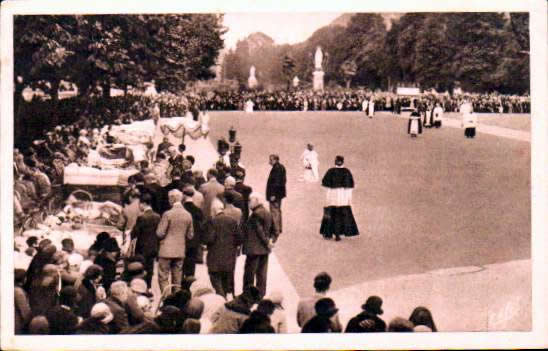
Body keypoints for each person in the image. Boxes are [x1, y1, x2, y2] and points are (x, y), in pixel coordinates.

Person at [156, 189, 194, 295]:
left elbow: (160, 233)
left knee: (163, 276)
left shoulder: (167, 214)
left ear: (172, 199)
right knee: (177, 277)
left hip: (166, 250)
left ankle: (167, 298)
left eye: (169, 198)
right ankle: (177, 299)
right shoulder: (188, 215)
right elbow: (190, 235)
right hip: (180, 250)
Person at [203, 199, 242, 299]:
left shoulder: (212, 222)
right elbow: (240, 238)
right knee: (225, 281)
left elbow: (209, 239)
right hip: (229, 258)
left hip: (215, 257)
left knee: (215, 279)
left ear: (214, 210)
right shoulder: (232, 221)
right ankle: (223, 297)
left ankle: (221, 299)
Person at [243, 193, 276, 299]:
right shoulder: (267, 213)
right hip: (265, 250)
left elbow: (259, 231)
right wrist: (271, 241)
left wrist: (267, 242)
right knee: (262, 274)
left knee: (250, 274)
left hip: (254, 249)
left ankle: (248, 295)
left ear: (256, 201)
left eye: (250, 200)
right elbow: (275, 230)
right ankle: (260, 295)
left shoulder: (256, 214)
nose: (248, 203)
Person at [320, 156, 359, 241]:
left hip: (336, 197)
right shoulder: (345, 172)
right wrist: (348, 198)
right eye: (338, 161)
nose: (338, 162)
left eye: (339, 161)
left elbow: (326, 184)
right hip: (340, 198)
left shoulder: (333, 171)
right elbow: (349, 187)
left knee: (332, 214)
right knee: (338, 215)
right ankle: (333, 234)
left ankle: (330, 233)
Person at [130, 193, 161, 288]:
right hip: (153, 246)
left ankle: (142, 287)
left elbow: (135, 233)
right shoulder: (157, 216)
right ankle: (149, 287)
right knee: (150, 268)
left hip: (142, 247)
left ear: (143, 204)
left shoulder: (141, 217)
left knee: (141, 268)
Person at [182, 187, 205, 278]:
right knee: (191, 263)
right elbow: (201, 227)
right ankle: (190, 280)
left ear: (184, 195)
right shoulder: (198, 211)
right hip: (194, 241)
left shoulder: (183, 209)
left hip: (183, 240)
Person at [266, 154, 286, 236]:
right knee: (278, 210)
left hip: (275, 195)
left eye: (271, 160)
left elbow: (276, 183)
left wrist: (273, 194)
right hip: (279, 194)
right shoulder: (281, 167)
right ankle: (279, 228)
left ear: (275, 160)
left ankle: (276, 230)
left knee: (274, 211)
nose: (269, 161)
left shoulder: (276, 169)